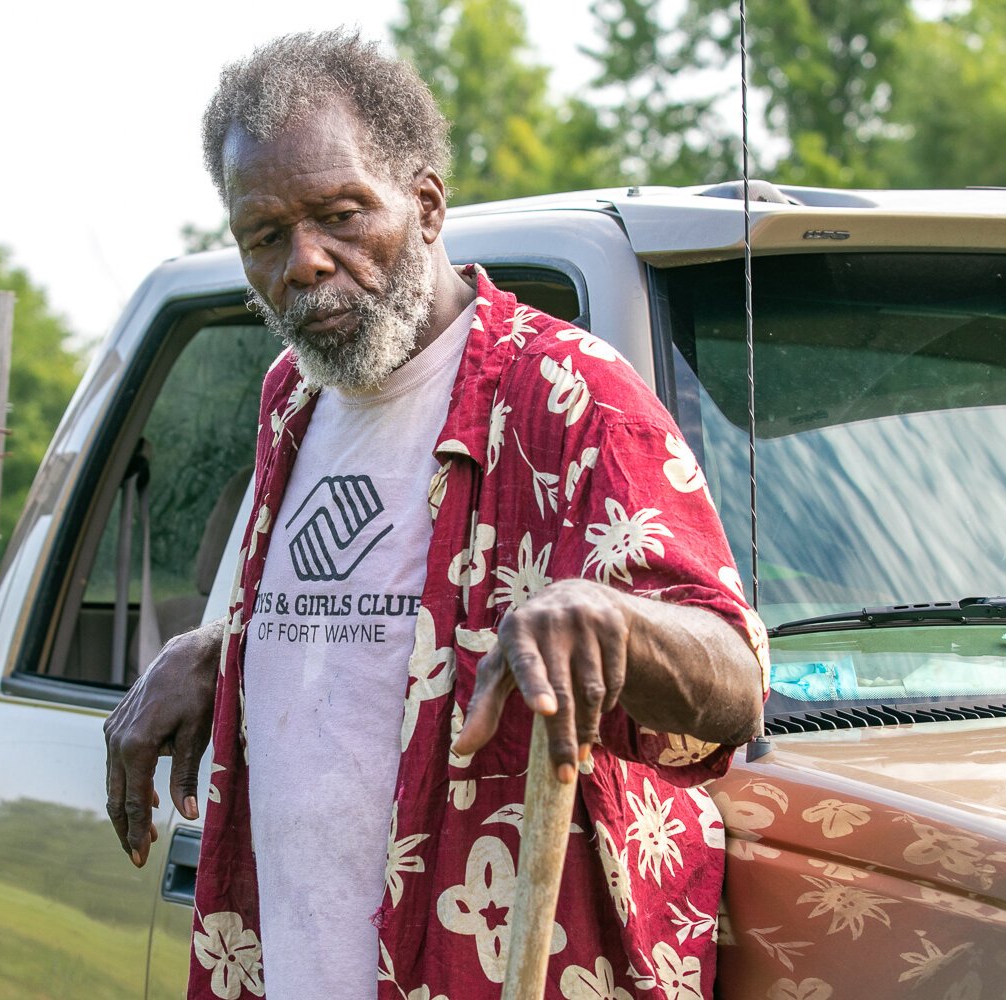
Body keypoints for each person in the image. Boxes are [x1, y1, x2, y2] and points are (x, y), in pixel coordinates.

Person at [104, 29, 768, 1000]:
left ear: (425, 204)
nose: (304, 262)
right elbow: (356, 628)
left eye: (340, 214)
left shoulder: (568, 394)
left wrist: (619, 625)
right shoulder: (293, 398)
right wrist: (222, 647)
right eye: (264, 236)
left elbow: (735, 686)